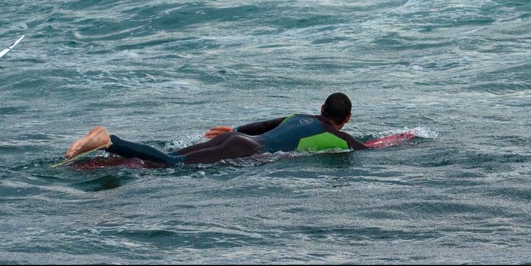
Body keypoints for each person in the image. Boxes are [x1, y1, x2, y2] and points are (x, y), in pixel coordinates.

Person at [63, 92, 368, 167]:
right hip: (249, 150)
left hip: (240, 138)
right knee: (173, 165)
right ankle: (109, 141)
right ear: (347, 118)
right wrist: (410, 138)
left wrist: (234, 128)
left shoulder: (301, 115)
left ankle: (95, 162)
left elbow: (266, 124)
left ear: (321, 109)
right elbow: (367, 149)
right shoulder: (338, 136)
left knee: (160, 159)